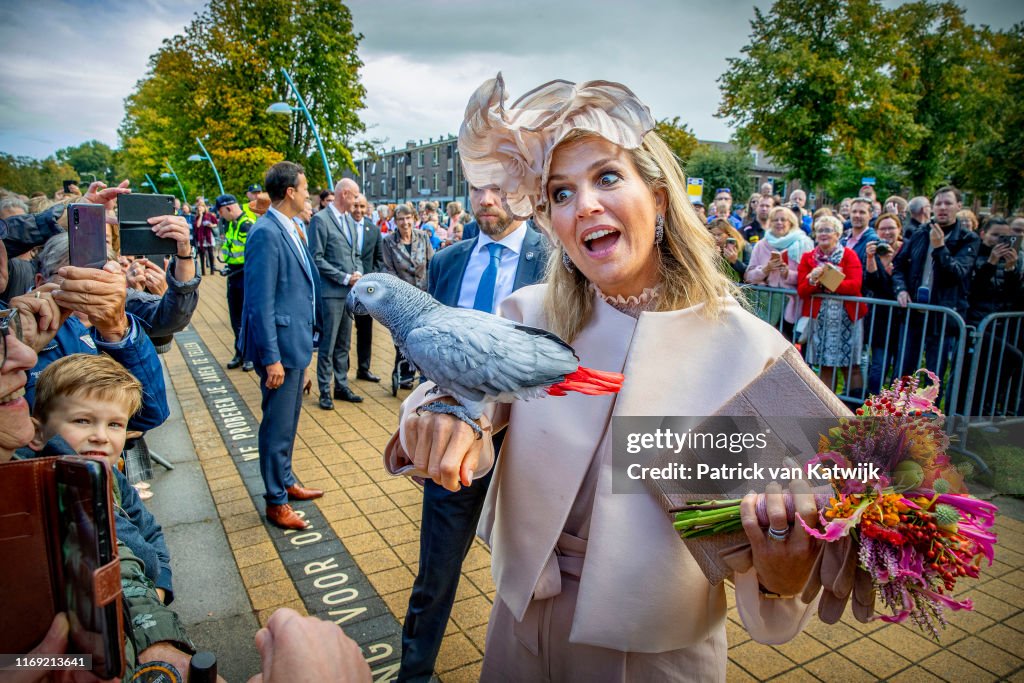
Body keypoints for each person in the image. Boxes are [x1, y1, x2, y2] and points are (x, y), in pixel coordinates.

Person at [386, 76, 820, 681]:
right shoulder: (529, 315)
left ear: (661, 197)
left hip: (657, 655)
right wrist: (435, 413)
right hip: (519, 635)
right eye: (561, 193)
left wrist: (783, 575)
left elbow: (793, 531)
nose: (583, 203)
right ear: (554, 223)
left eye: (607, 177)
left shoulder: (751, 351)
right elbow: (459, 396)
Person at [398, 177, 549, 681]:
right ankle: (414, 672)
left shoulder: (556, 258)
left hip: (536, 445)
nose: (485, 200)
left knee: (537, 573)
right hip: (458, 441)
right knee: (436, 571)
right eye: (477, 188)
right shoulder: (446, 261)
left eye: (500, 188)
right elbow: (429, 354)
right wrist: (427, 410)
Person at [28, 353, 175, 604]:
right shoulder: (49, 493)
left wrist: (160, 587)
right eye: (82, 421)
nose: (101, 436)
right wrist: (154, 581)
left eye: (115, 424)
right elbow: (148, 560)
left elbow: (151, 531)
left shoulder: (112, 474)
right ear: (38, 433)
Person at [240, 161, 323, 531]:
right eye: (304, 188)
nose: (308, 194)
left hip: (295, 344)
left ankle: (286, 480)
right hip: (279, 348)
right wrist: (271, 357)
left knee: (288, 421)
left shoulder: (293, 226)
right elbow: (259, 302)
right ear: (289, 192)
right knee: (276, 425)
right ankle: (276, 501)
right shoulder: (266, 232)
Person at [891, 185, 978, 381]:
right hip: (914, 312)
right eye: (938, 203)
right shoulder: (920, 232)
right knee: (903, 369)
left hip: (943, 316)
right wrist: (901, 289)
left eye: (948, 203)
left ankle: (930, 411)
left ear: (958, 206)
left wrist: (940, 248)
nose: (942, 208)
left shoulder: (968, 239)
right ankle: (896, 409)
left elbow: (958, 273)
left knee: (934, 373)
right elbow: (898, 266)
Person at [308, 178, 366, 408]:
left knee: (344, 342)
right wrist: (344, 277)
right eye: (355, 196)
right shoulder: (320, 221)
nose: (357, 201)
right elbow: (316, 258)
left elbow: (356, 255)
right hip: (331, 292)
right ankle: (325, 390)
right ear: (344, 194)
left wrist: (359, 273)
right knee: (328, 343)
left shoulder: (350, 222)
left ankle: (341, 385)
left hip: (349, 294)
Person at [797, 214, 867, 393]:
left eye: (827, 230)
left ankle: (854, 408)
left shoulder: (849, 255)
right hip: (820, 320)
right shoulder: (808, 258)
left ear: (837, 234)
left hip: (847, 319)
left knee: (851, 365)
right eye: (819, 230)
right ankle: (828, 409)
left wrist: (826, 281)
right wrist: (813, 281)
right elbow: (802, 290)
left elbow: (855, 285)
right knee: (825, 365)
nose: (823, 234)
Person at [380, 205, 434, 389]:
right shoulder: (388, 242)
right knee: (402, 339)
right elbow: (388, 270)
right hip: (401, 301)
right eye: (401, 219)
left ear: (414, 218)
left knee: (423, 338)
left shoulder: (423, 237)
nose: (405, 222)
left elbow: (431, 263)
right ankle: (404, 373)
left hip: (424, 297)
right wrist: (403, 293)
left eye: (409, 218)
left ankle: (424, 374)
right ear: (395, 221)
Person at [745, 206, 813, 339]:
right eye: (775, 220)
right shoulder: (761, 244)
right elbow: (749, 275)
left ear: (791, 222)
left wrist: (787, 273)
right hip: (765, 304)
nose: (779, 223)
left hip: (791, 304)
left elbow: (807, 277)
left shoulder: (804, 243)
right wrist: (765, 269)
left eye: (783, 220)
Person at [863, 212, 906, 394]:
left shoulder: (907, 250)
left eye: (891, 228)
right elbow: (871, 283)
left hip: (904, 318)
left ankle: (897, 409)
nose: (887, 232)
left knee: (902, 369)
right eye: (883, 229)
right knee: (878, 366)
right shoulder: (875, 251)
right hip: (880, 319)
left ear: (899, 229)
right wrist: (871, 259)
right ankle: (873, 405)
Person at [217, 194, 254, 371]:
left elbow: (251, 256)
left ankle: (249, 356)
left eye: (221, 212)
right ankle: (239, 352)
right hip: (233, 274)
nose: (221, 216)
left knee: (246, 318)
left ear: (229, 208)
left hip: (245, 276)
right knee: (235, 318)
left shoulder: (246, 224)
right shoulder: (232, 224)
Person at [350, 194, 384, 384]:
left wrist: (370, 281)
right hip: (344, 287)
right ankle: (341, 372)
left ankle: (364, 368)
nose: (359, 210)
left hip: (366, 293)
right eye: (355, 206)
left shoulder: (374, 229)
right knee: (343, 333)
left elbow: (379, 259)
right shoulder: (343, 227)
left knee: (365, 331)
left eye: (362, 206)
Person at [841, 197, 879, 268]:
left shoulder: (873, 241)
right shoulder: (842, 241)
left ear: (870, 215)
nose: (857, 215)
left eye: (862, 212)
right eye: (854, 212)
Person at [708, 217, 749, 282]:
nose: (716, 238)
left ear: (729, 234)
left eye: (719, 235)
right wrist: (715, 259)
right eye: (713, 235)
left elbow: (749, 272)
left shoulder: (744, 246)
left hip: (739, 288)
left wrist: (735, 261)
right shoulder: (709, 248)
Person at [193, 198, 218, 275]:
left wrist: (211, 225)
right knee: (202, 254)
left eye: (202, 207)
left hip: (208, 236)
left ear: (205, 207)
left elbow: (216, 223)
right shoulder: (197, 217)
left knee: (210, 253)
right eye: (199, 207)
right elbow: (197, 225)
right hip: (201, 237)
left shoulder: (210, 215)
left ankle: (212, 269)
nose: (200, 208)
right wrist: (200, 216)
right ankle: (203, 271)